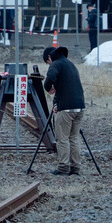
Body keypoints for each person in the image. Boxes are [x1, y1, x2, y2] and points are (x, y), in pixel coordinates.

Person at [43, 45, 85, 176]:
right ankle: (75, 167)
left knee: (62, 138)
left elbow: (50, 77)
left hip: (66, 109)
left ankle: (63, 167)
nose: (49, 64)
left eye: (48, 62)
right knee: (74, 137)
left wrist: (48, 87)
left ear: (50, 57)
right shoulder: (70, 64)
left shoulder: (56, 64)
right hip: (79, 107)